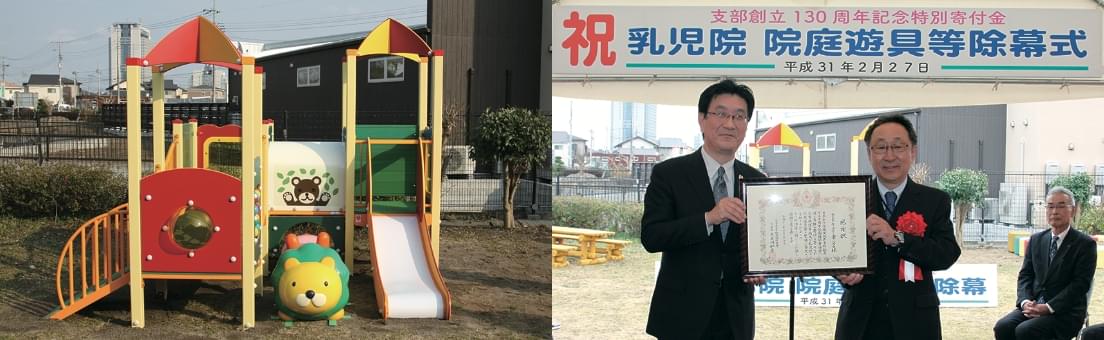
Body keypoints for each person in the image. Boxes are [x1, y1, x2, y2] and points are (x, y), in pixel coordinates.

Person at [641, 80, 766, 339]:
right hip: (681, 313)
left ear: (746, 125)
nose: (730, 123)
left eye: (739, 116)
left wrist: (761, 265)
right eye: (720, 113)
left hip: (735, 316)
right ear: (701, 119)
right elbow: (652, 237)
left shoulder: (757, 180)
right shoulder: (669, 173)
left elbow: (763, 242)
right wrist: (709, 218)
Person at [833, 114, 961, 340]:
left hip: (916, 323)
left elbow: (946, 254)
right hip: (860, 321)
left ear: (913, 151)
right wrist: (840, 272)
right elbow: (833, 250)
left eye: (898, 146)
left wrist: (897, 238)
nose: (889, 155)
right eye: (880, 147)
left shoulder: (935, 201)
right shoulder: (849, 198)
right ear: (869, 154)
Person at [993, 186, 1097, 340]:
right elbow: (1025, 276)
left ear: (1073, 211)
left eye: (1061, 206)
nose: (1054, 211)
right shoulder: (1036, 240)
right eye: (1050, 206)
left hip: (1065, 312)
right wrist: (1025, 301)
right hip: (1034, 306)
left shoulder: (1085, 244)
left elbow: (1080, 285)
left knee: (1025, 331)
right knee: (1003, 327)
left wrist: (1048, 308)